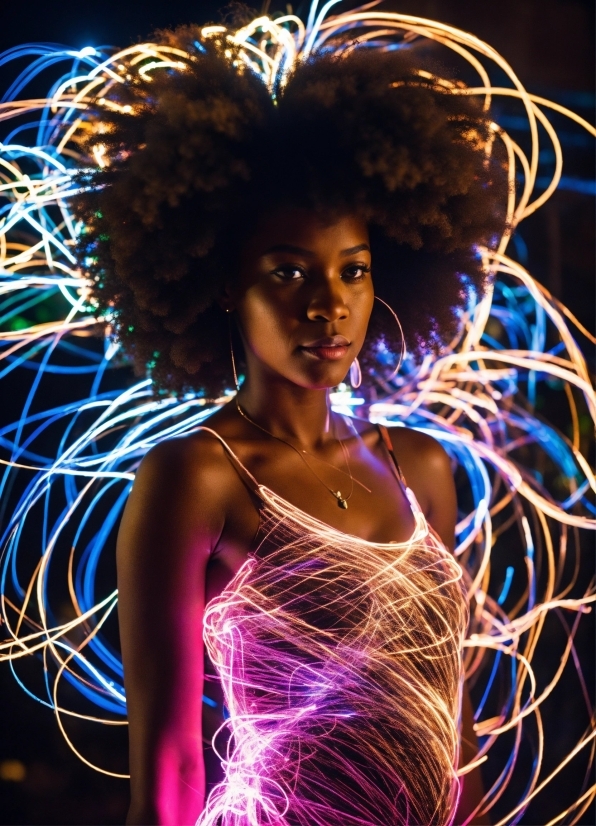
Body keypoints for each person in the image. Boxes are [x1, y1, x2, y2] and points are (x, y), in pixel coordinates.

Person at [74, 28, 507, 825]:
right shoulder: (194, 478)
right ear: (222, 284)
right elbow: (169, 767)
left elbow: (451, 728)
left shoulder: (423, 469)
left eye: (353, 270)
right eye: (288, 272)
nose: (328, 305)